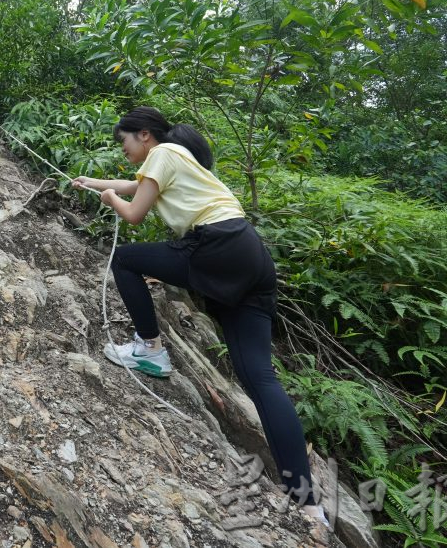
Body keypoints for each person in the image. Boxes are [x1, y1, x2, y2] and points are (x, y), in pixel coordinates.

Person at [72, 106, 327, 525]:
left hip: (215, 245)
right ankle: (307, 500)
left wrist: (110, 199)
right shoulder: (175, 159)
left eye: (125, 141)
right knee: (260, 379)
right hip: (250, 255)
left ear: (145, 136)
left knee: (125, 259)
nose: (124, 149)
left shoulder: (163, 153)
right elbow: (136, 185)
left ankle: (150, 348)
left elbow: (133, 211)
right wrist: (93, 183)